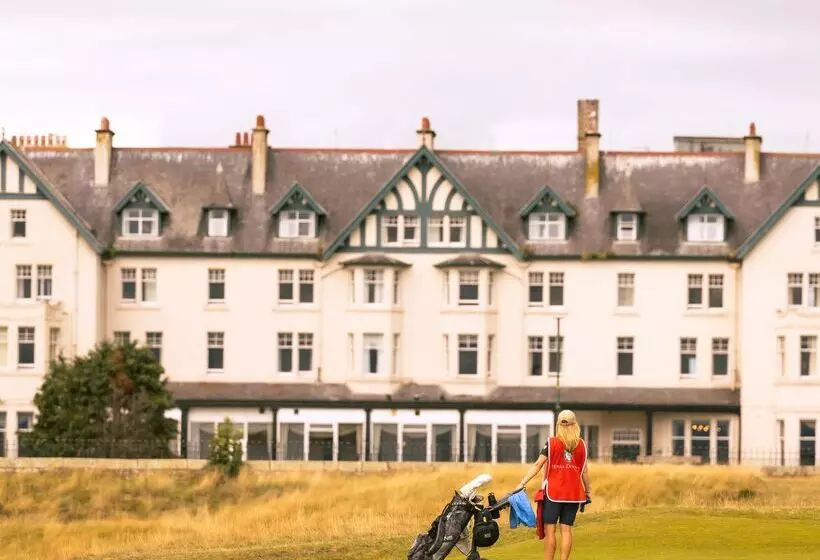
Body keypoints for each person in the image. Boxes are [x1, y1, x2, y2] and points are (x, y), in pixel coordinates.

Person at [516, 409, 591, 560]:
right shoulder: (582, 445)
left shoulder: (551, 442)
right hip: (574, 495)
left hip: (554, 494)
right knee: (566, 530)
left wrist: (522, 483)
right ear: (575, 424)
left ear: (558, 425)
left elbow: (538, 465)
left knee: (550, 532)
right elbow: (584, 472)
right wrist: (588, 492)